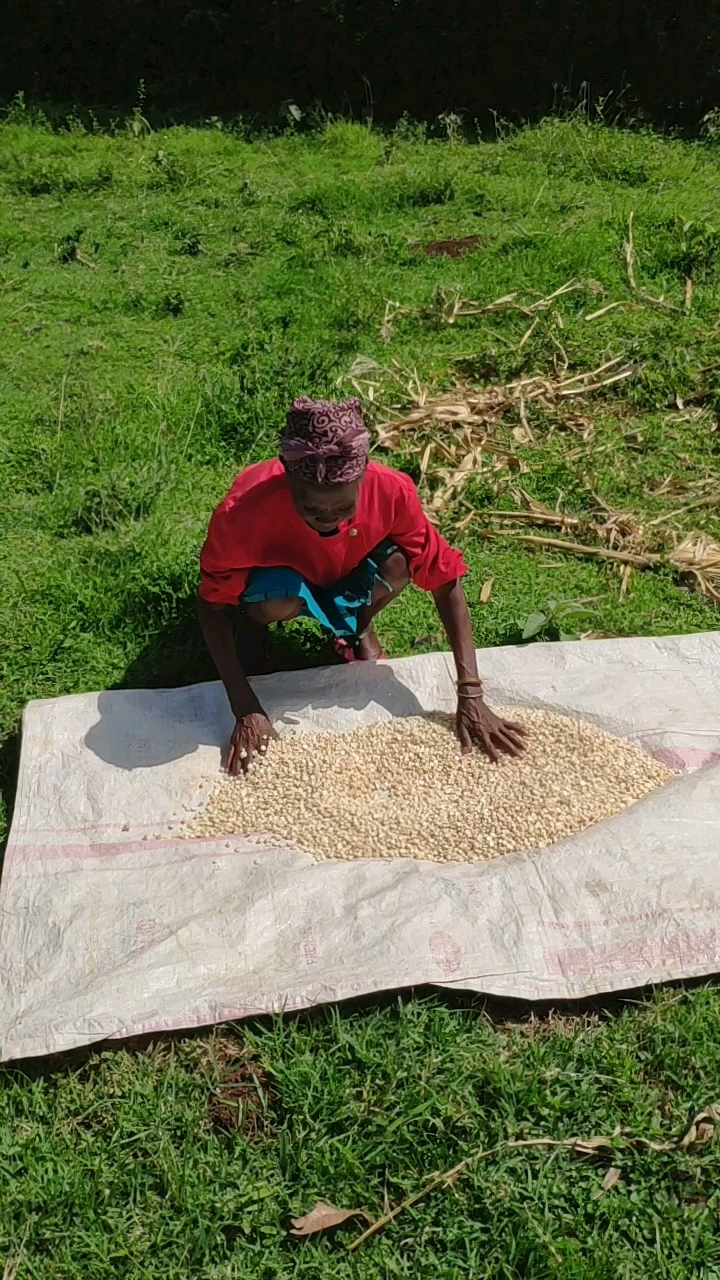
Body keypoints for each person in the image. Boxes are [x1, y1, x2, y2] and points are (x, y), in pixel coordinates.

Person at [198, 395, 526, 775]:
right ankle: (255, 629)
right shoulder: (243, 514)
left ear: (363, 476)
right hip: (282, 578)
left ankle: (356, 625)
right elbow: (211, 604)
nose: (326, 518)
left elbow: (443, 578)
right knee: (279, 598)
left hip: (345, 564)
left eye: (341, 508)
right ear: (287, 477)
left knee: (402, 559)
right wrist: (246, 707)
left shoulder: (391, 491)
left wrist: (470, 692)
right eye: (311, 508)